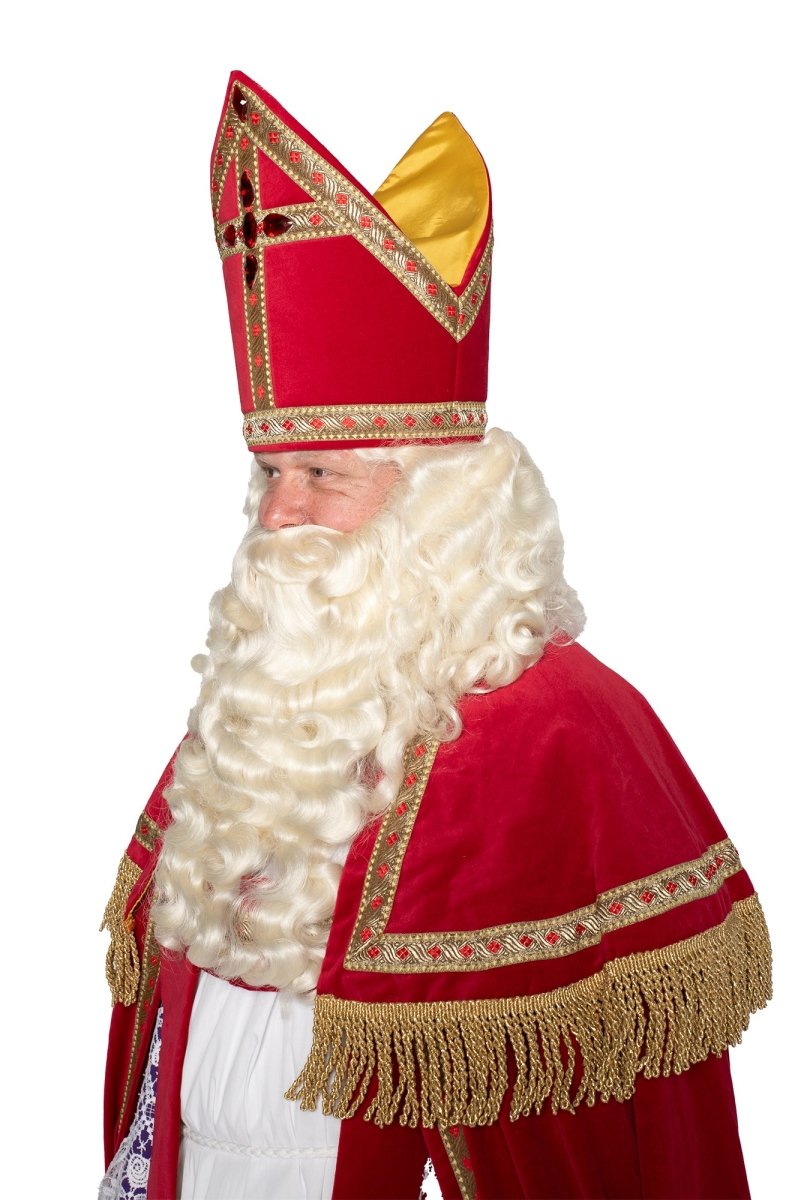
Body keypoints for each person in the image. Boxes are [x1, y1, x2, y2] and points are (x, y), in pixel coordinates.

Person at [100, 72, 771, 1200]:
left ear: (439, 505)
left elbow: (607, 1121)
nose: (278, 515)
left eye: (323, 475)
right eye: (270, 473)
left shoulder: (564, 725)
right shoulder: (266, 701)